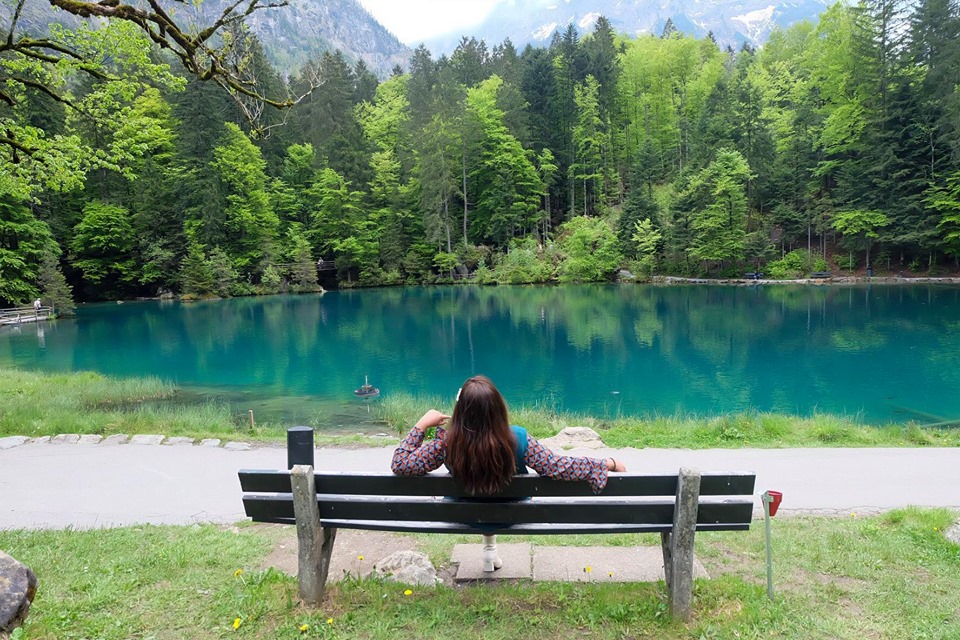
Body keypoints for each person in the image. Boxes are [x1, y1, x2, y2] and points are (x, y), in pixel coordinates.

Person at [391, 375, 626, 572]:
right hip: (511, 514)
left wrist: (421, 425)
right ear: (498, 409)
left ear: (460, 411)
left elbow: (400, 464)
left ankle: (489, 553)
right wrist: (606, 464)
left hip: (465, 515)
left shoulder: (445, 444)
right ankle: (491, 553)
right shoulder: (518, 439)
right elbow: (559, 466)